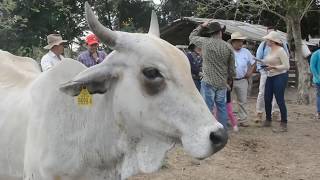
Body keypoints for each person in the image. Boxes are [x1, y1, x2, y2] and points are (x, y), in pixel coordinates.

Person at [189, 21, 236, 129]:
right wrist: (229, 79)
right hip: (221, 83)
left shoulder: (204, 42)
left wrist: (201, 26)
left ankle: (208, 129)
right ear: (220, 32)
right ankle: (222, 130)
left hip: (208, 81)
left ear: (211, 32)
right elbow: (232, 70)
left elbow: (192, 37)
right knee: (222, 108)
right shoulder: (228, 47)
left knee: (207, 107)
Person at [255, 27, 289, 122]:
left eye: (268, 39)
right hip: (270, 75)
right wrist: (259, 61)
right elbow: (267, 61)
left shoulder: (281, 50)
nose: (266, 41)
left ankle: (284, 121)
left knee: (279, 99)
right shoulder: (270, 50)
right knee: (267, 97)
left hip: (280, 76)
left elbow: (287, 66)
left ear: (272, 41)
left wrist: (274, 67)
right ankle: (268, 119)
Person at [229, 32, 255, 127]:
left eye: (241, 41)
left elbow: (252, 63)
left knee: (242, 100)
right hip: (230, 80)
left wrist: (250, 72)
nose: (241, 43)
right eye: (238, 41)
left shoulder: (246, 52)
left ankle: (243, 119)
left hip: (242, 80)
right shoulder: (228, 51)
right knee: (228, 101)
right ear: (233, 42)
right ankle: (229, 119)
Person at [310, 48, 320, 120]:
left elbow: (312, 67)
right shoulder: (316, 54)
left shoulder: (316, 54)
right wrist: (318, 77)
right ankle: (319, 113)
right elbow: (312, 67)